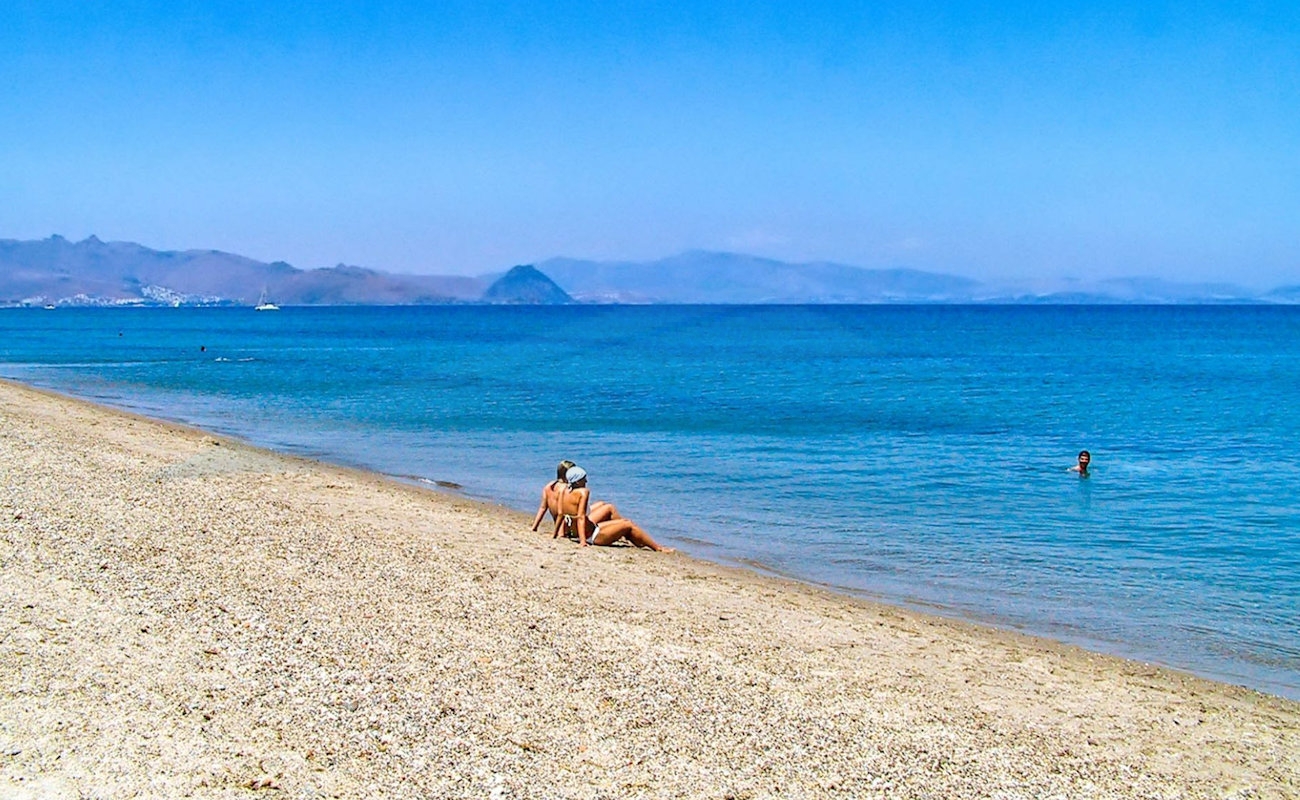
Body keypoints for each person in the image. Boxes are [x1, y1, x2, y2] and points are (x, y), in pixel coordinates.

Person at [556, 466, 673, 552]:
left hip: (581, 531)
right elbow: (581, 517)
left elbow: (560, 514)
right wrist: (583, 541)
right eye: (584, 479)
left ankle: (633, 539)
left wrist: (558, 534)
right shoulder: (583, 492)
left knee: (616, 516)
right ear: (577, 481)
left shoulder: (563, 491)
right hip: (592, 536)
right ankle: (658, 548)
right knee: (628, 523)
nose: (586, 481)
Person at [531, 459, 576, 532]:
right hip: (568, 526)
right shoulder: (567, 488)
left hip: (558, 525)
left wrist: (535, 526)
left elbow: (542, 508)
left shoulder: (549, 486)